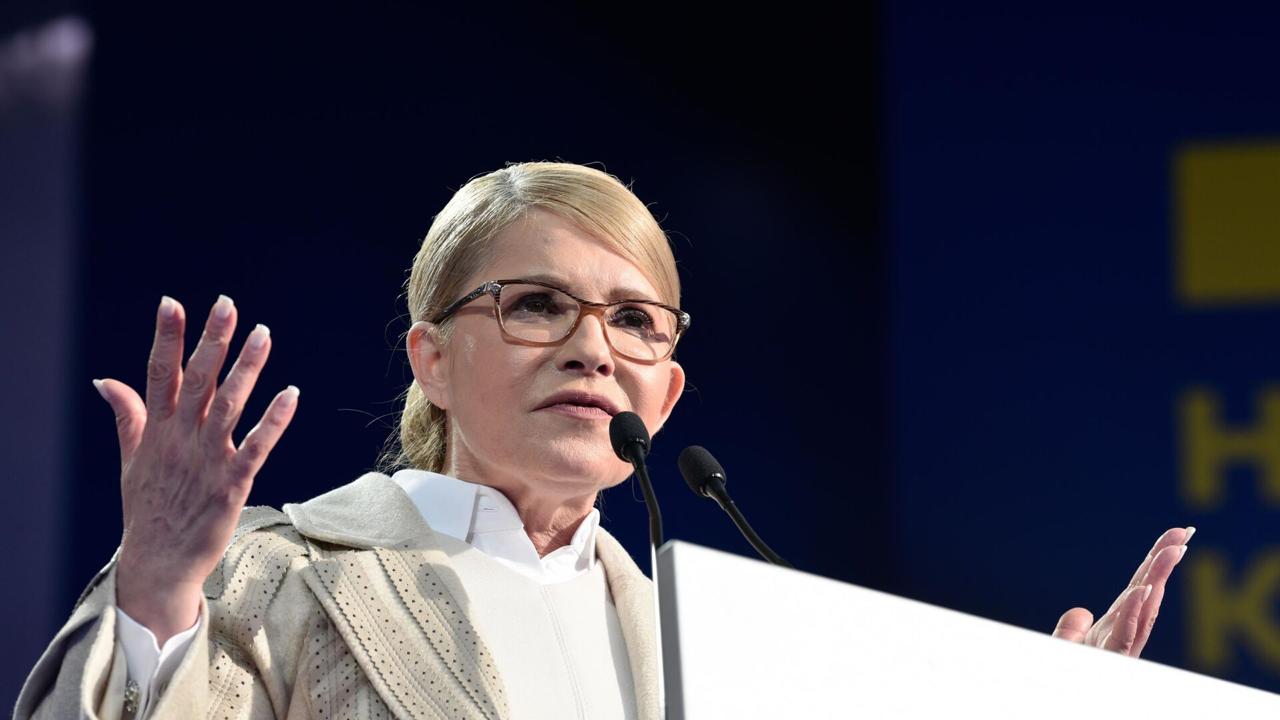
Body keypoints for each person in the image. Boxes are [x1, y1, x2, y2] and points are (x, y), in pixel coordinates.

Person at [14, 162, 1193, 720]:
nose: (591, 349)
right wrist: (156, 589)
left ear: (664, 394)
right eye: (535, 305)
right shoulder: (273, 580)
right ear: (430, 358)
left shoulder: (721, 649)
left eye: (633, 321)